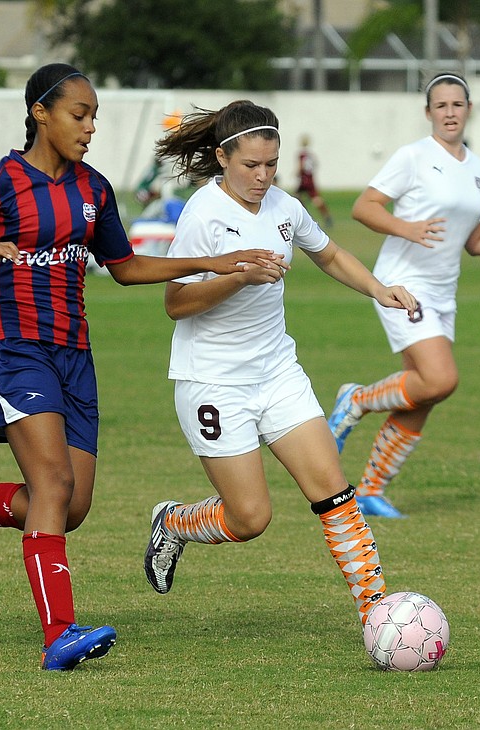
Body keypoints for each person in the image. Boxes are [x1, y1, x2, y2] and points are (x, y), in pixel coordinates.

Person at [0, 64, 280, 672]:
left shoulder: (93, 190)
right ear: (40, 113)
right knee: (53, 487)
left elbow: (124, 267)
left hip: (75, 353)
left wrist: (219, 261)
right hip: (13, 347)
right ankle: (59, 635)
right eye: (79, 114)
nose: (90, 127)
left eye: (95, 116)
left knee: (70, 507)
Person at [141, 100, 419, 633]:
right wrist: (237, 277)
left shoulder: (284, 209)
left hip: (277, 373)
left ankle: (377, 614)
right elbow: (175, 304)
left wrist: (379, 290)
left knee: (335, 492)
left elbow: (330, 254)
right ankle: (174, 521)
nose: (263, 176)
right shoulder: (202, 215)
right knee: (250, 519)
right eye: (251, 166)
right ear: (223, 158)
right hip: (213, 383)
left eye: (271, 164)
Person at [327, 72, 480, 518]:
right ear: (428, 113)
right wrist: (405, 227)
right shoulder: (413, 157)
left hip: (444, 292)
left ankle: (371, 489)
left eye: (457, 105)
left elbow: (477, 240)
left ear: (469, 109)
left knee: (424, 393)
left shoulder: (478, 168)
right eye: (441, 106)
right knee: (440, 379)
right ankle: (355, 400)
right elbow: (364, 207)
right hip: (403, 284)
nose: (450, 113)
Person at [295, 134, 332, 228]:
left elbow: (301, 165)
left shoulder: (302, 154)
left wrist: (297, 173)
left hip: (304, 180)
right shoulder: (311, 154)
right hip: (310, 178)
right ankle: (327, 217)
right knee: (316, 199)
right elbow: (315, 164)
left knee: (296, 198)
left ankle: (305, 218)